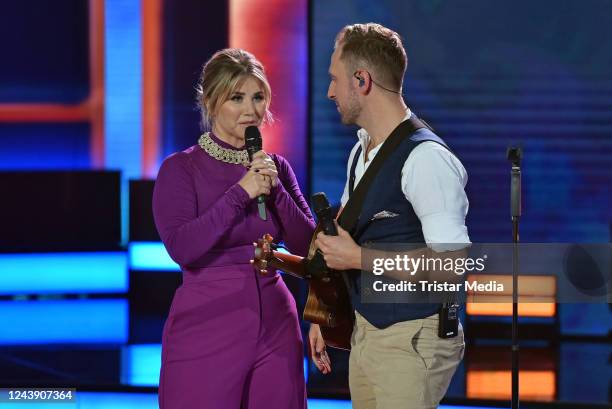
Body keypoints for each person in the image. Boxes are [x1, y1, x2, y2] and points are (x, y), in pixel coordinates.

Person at [309, 23, 469, 409]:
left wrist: (359, 259)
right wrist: (322, 312)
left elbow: (453, 266)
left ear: (361, 80)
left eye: (335, 79)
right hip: (368, 332)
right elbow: (342, 242)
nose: (330, 91)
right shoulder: (360, 153)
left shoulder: (425, 159)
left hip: (413, 336)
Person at [153, 48, 315, 409]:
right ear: (211, 102)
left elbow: (309, 244)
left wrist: (276, 193)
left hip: (276, 322)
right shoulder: (181, 169)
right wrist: (240, 193)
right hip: (208, 319)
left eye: (258, 97)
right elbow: (183, 247)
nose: (251, 109)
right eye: (236, 98)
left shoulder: (277, 167)